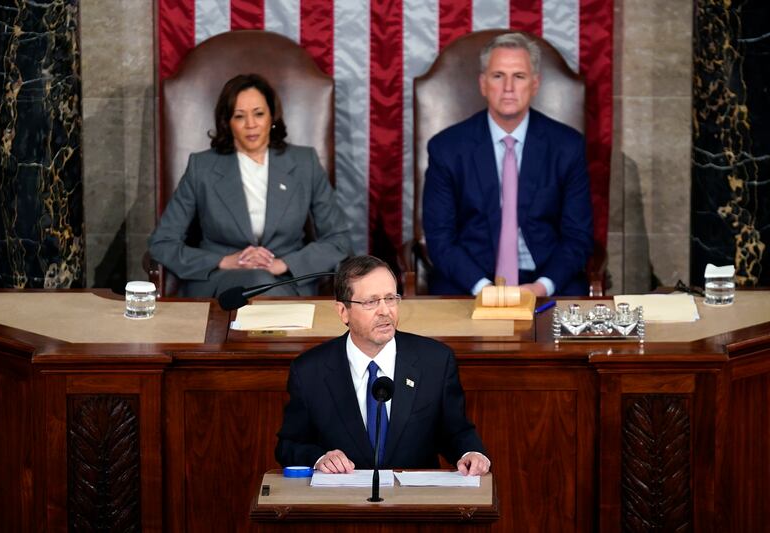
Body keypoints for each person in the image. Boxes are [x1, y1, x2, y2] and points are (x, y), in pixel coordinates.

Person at [276, 255, 490, 475]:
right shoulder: (310, 370)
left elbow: (457, 432)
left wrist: (471, 453)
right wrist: (319, 459)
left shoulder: (435, 361)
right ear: (343, 312)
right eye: (371, 302)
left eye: (390, 298)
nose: (385, 311)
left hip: (413, 503)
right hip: (343, 502)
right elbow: (288, 446)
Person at [422, 32, 593, 297]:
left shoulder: (567, 147)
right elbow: (441, 239)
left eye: (519, 76)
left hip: (546, 279)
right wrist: (484, 289)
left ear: (535, 84)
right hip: (469, 281)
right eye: (498, 76)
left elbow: (577, 237)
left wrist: (542, 287)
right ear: (483, 84)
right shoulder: (447, 148)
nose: (509, 87)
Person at [149, 74, 351, 297]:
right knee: (257, 281)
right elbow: (162, 243)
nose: (251, 124)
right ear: (227, 122)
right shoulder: (202, 167)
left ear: (272, 116)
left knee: (264, 284)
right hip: (220, 281)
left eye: (259, 114)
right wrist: (225, 261)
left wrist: (284, 264)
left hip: (288, 280)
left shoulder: (305, 163)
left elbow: (339, 240)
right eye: (239, 116)